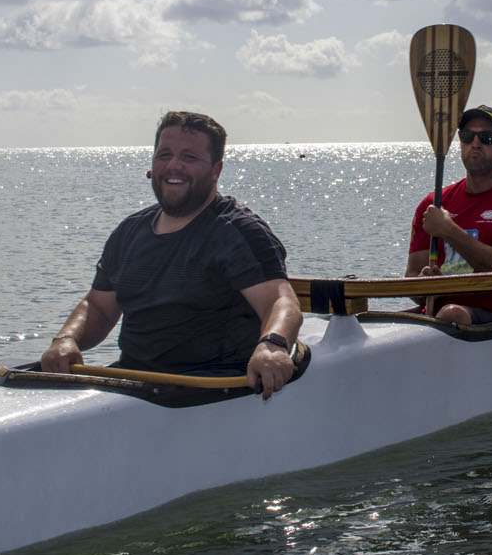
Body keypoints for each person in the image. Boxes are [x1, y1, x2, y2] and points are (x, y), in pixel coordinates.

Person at [40, 112, 302, 400]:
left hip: (212, 390)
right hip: (136, 385)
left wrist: (273, 345)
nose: (173, 165)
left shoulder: (238, 232)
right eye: (164, 154)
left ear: (216, 170)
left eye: (189, 157)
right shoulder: (129, 232)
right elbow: (99, 307)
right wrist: (66, 339)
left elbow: (280, 301)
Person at [406, 105, 492, 326]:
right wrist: (422, 285)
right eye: (467, 136)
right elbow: (412, 276)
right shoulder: (432, 204)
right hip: (439, 314)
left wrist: (448, 230)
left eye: (487, 138)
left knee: (451, 315)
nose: (475, 143)